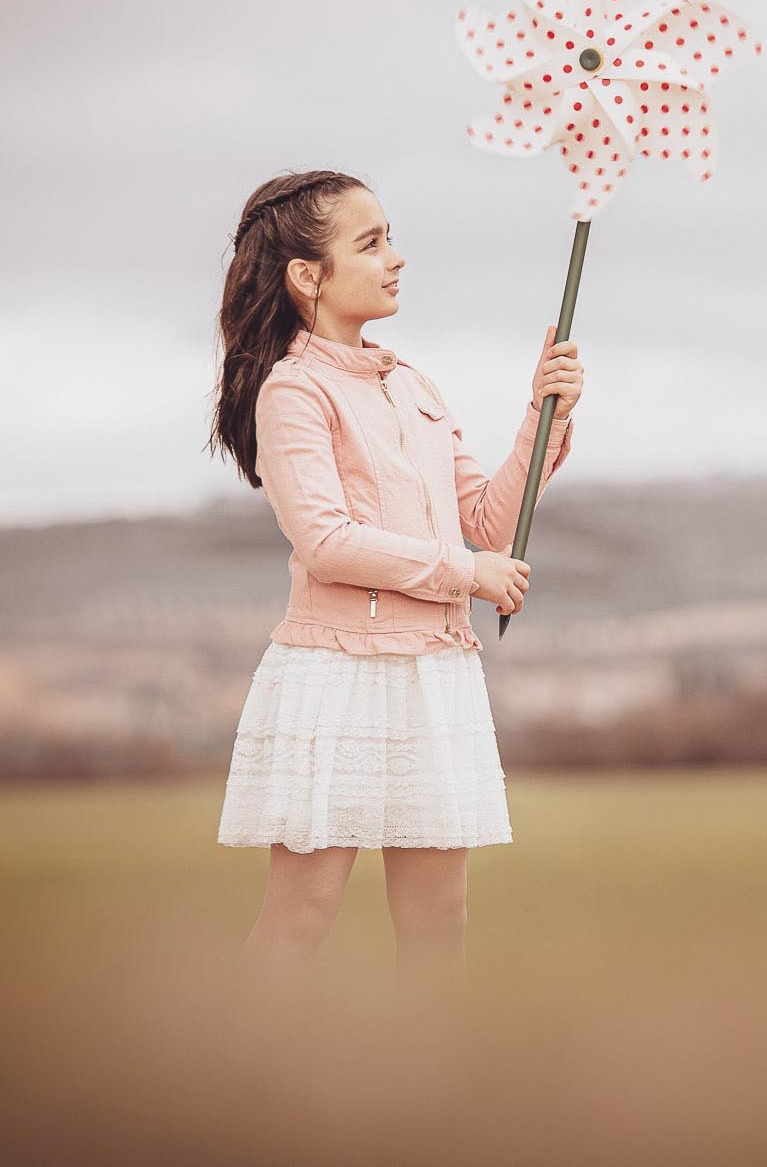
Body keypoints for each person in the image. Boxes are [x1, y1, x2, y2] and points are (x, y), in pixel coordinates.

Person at [204, 169, 583, 999]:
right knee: (302, 913)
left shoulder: (413, 386)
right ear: (307, 275)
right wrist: (465, 574)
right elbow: (329, 540)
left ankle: (422, 1102)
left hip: (433, 674)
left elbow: (485, 521)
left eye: (390, 238)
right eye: (370, 243)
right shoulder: (292, 392)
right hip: (336, 674)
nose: (395, 258)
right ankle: (224, 1084)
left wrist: (541, 416)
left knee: (439, 920)